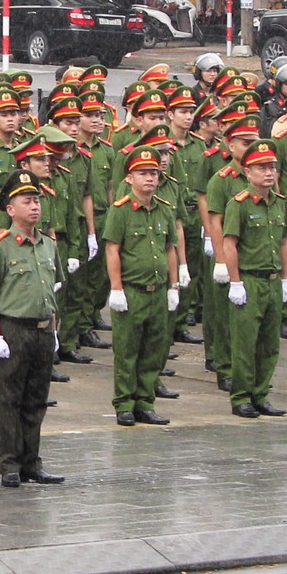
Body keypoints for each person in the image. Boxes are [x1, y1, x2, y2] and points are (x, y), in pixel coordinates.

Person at [0, 169, 64, 487]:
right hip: (14, 329)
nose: (34, 206)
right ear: (10, 209)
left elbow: (52, 292)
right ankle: (10, 464)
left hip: (42, 330)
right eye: (27, 201)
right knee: (8, 400)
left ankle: (32, 461)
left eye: (37, 200)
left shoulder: (47, 246)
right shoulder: (1, 246)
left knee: (36, 400)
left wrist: (54, 330)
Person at [102, 145, 184, 426]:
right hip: (132, 290)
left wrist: (173, 286)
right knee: (127, 351)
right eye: (142, 173)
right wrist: (116, 288)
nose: (150, 178)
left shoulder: (165, 209)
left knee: (154, 349)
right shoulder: (120, 210)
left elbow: (170, 248)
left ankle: (145, 402)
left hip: (158, 290)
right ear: (129, 178)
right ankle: (124, 403)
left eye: (153, 173)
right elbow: (113, 249)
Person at [217, 143, 287, 419]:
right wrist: (235, 282)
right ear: (248, 172)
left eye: (272, 167)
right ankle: (241, 396)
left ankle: (261, 394)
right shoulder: (239, 204)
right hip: (249, 280)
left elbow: (284, 242)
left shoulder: (280, 203)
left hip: (272, 281)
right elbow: (230, 244)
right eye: (262, 168)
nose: (269, 173)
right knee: (245, 344)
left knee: (269, 343)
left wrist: (285, 279)